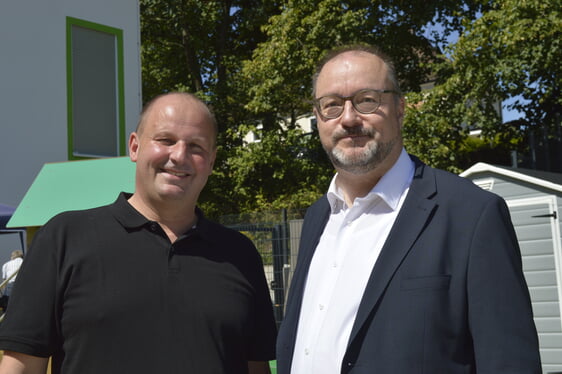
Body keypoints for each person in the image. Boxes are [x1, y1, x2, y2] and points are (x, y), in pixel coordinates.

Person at [276, 45, 541, 374]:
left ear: (400, 108)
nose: (348, 118)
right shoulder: (318, 217)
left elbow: (508, 363)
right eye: (331, 105)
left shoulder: (470, 215)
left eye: (367, 99)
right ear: (318, 118)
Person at [0, 92, 277, 374]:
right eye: (166, 140)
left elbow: (256, 367)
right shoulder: (65, 238)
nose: (179, 156)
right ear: (135, 147)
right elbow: (21, 366)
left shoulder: (239, 254)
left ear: (212, 160)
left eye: (196, 146)